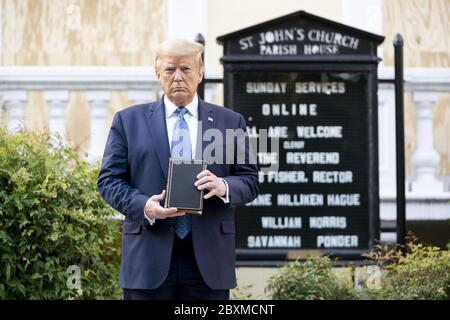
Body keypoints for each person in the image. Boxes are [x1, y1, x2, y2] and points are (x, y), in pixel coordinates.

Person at [97, 38, 259, 300]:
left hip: (209, 262)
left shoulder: (230, 121)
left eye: (186, 69)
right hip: (148, 258)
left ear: (200, 73)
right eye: (170, 70)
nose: (178, 77)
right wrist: (143, 206)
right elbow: (108, 181)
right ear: (157, 74)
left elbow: (250, 180)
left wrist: (224, 186)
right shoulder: (128, 121)